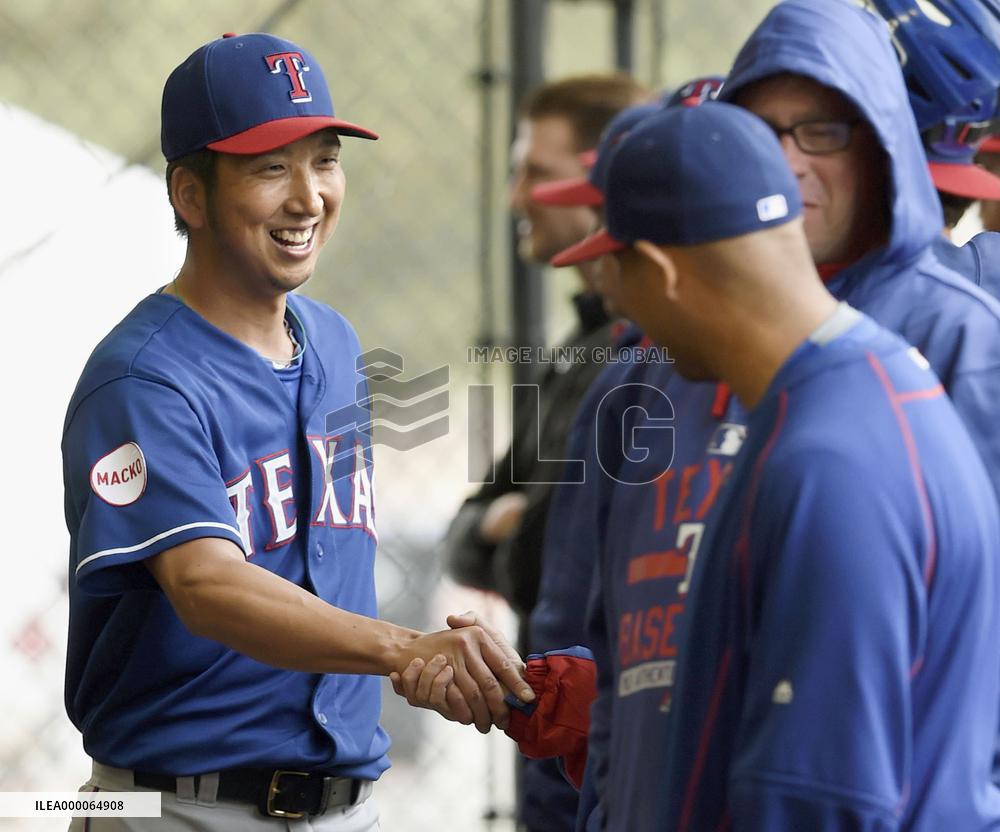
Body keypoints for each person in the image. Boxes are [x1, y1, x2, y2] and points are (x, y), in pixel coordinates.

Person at [62, 32, 532, 831]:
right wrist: (403, 649)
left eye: (324, 159)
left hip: (348, 806)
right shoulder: (143, 377)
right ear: (191, 195)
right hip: (176, 806)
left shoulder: (337, 344)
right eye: (270, 166)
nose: (309, 196)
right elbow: (208, 588)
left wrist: (424, 657)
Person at [559, 100, 1000, 830]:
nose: (618, 307)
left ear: (665, 273)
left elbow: (820, 801)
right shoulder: (868, 393)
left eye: (617, 277)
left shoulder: (830, 457)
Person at [442, 72, 649, 832]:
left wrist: (517, 525)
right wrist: (512, 525)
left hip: (603, 761)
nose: (514, 197)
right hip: (559, 760)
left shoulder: (645, 363)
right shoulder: (582, 355)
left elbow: (530, 554)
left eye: (536, 171)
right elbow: (467, 540)